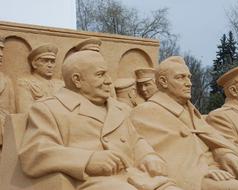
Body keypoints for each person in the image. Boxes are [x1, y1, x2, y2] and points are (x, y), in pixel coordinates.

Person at [19, 38, 182, 190]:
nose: (109, 81)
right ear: (77, 80)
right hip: (94, 182)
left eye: (107, 73)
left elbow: (135, 140)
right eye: (100, 75)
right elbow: (35, 153)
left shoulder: (119, 109)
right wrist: (88, 160)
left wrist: (148, 156)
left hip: (136, 177)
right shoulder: (50, 109)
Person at [130, 56, 238, 190]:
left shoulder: (190, 111)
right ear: (163, 82)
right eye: (180, 77)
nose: (189, 83)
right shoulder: (147, 112)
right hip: (197, 177)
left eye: (189, 77)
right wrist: (204, 170)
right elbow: (164, 155)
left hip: (222, 170)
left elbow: (213, 140)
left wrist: (224, 153)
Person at [16, 43, 64, 113]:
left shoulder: (61, 85)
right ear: (34, 64)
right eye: (45, 61)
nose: (50, 65)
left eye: (52, 62)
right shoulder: (25, 84)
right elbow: (25, 112)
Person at [0, 36, 15, 160]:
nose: (1, 54)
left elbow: (12, 111)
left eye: (2, 49)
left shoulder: (7, 80)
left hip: (4, 134)